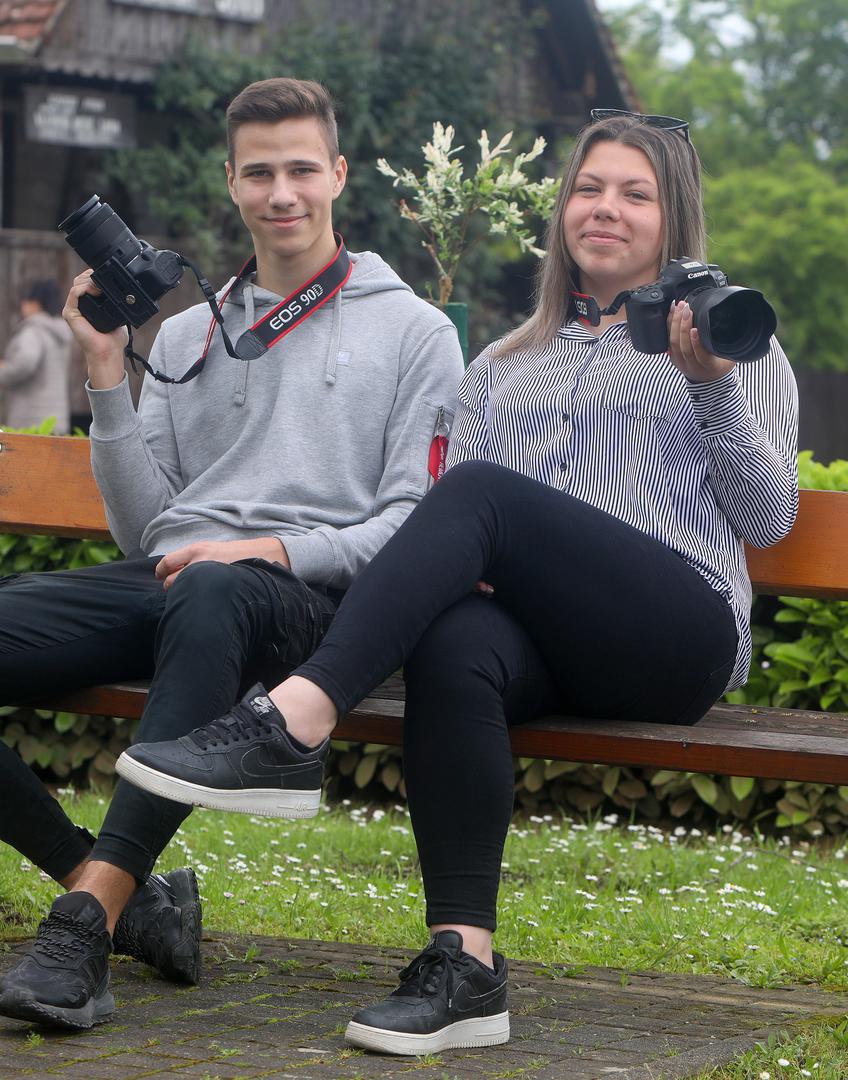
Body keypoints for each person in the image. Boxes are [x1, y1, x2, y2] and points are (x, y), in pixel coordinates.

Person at [117, 111, 800, 1055]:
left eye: (634, 194)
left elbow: (768, 520)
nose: (606, 209)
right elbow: (459, 543)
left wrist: (711, 385)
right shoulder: (500, 366)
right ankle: (465, 967)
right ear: (564, 212)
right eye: (590, 189)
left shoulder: (732, 340)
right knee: (454, 642)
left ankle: (295, 719)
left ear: (672, 219)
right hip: (552, 646)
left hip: (677, 634)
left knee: (478, 491)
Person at [0, 77, 463, 1031]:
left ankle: (83, 928)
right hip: (177, 583)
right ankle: (130, 899)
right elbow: (145, 533)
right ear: (232, 184)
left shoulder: (416, 331)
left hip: (304, 603)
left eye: (303, 169)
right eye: (260, 173)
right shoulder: (187, 332)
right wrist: (104, 373)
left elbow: (413, 529)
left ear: (339, 175)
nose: (282, 193)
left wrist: (267, 546)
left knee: (214, 583)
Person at [0, 279, 75, 433]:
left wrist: (2, 371)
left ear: (35, 303)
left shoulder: (33, 331)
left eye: (25, 300)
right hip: (56, 419)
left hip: (30, 421)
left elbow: (25, 362)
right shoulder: (60, 332)